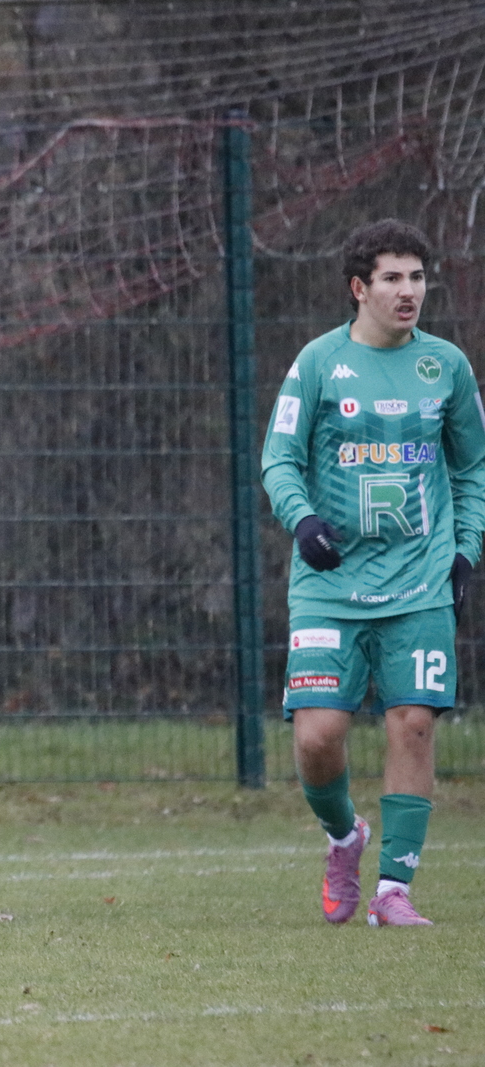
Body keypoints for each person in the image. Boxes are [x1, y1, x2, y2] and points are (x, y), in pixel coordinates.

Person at [261, 218, 485, 927]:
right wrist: (303, 521)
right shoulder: (319, 364)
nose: (407, 290)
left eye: (416, 277)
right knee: (317, 736)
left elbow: (473, 467)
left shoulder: (446, 367)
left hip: (419, 578)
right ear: (359, 288)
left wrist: (465, 550)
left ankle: (393, 889)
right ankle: (344, 835)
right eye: (392, 278)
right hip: (329, 584)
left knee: (413, 723)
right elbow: (279, 459)